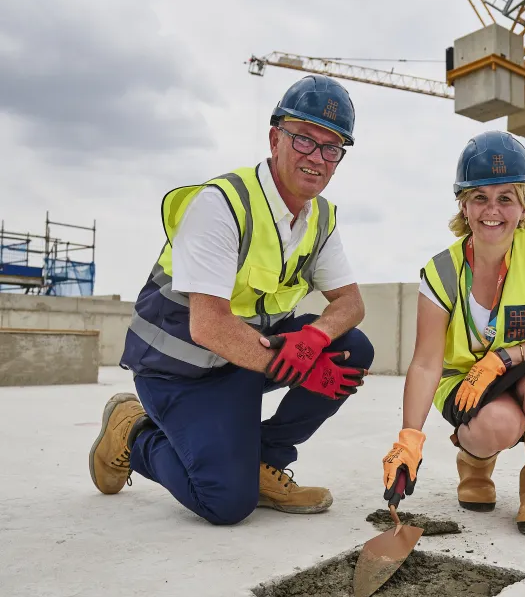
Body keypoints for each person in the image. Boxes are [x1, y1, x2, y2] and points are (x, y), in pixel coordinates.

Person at [88, 74, 374, 525]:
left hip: (240, 360)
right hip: (178, 373)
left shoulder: (319, 217)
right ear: (275, 138)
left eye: (331, 148)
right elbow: (209, 325)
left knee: (351, 348)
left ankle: (266, 461)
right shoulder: (222, 204)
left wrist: (313, 340)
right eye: (304, 140)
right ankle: (134, 432)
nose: (316, 158)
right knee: (225, 503)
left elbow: (351, 303)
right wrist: (292, 364)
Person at [381, 131, 525, 536]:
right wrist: (409, 438)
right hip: (462, 382)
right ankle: (474, 466)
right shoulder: (440, 271)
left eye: (506, 197)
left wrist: (502, 359)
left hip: (521, 370)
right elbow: (425, 362)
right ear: (464, 206)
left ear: (524, 205)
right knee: (499, 425)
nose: (493, 210)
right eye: (480, 198)